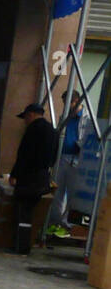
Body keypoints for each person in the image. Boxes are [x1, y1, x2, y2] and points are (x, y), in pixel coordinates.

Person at [9, 103, 57, 255]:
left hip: (28, 178)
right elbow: (53, 157)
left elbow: (24, 155)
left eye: (25, 118)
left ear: (30, 115)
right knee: (29, 213)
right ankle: (24, 245)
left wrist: (14, 174)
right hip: (42, 177)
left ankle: (19, 246)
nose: (25, 121)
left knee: (22, 212)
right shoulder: (52, 131)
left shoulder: (33, 130)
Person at [46, 91, 88, 239]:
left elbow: (87, 138)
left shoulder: (86, 118)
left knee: (71, 194)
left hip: (76, 159)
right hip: (62, 157)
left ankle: (67, 224)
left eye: (67, 103)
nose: (65, 106)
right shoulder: (65, 116)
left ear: (75, 101)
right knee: (57, 191)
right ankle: (55, 222)